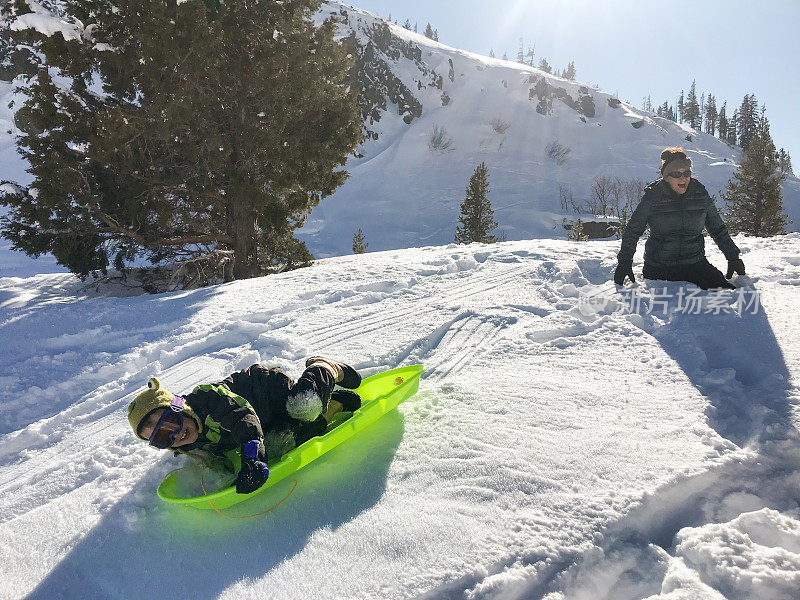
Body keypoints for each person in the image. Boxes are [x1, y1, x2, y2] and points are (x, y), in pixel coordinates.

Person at [127, 357, 362, 494]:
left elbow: (242, 418)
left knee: (305, 407)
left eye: (170, 423)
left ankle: (323, 367)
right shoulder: (186, 443)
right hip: (267, 424)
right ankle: (335, 405)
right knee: (281, 448)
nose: (175, 435)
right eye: (161, 438)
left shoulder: (208, 398)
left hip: (267, 393)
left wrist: (252, 456)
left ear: (179, 407)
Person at [614, 147, 746, 290]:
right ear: (666, 177)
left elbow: (718, 228)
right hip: (659, 268)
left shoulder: (699, 194)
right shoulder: (653, 196)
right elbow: (633, 230)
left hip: (695, 263)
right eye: (677, 174)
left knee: (726, 292)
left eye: (687, 173)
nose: (683, 178)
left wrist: (733, 257)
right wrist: (625, 261)